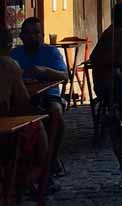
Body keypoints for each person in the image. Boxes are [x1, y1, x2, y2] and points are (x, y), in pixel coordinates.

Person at [10, 18, 67, 175]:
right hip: (23, 97)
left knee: (56, 114)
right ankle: (26, 161)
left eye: (36, 32)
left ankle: (53, 157)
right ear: (21, 36)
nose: (32, 36)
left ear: (42, 35)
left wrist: (46, 71)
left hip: (49, 95)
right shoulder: (14, 54)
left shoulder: (51, 52)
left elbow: (65, 76)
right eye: (27, 32)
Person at [0, 27, 50, 193]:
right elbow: (22, 101)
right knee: (38, 123)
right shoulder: (9, 64)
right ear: (8, 45)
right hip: (4, 135)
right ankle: (38, 176)